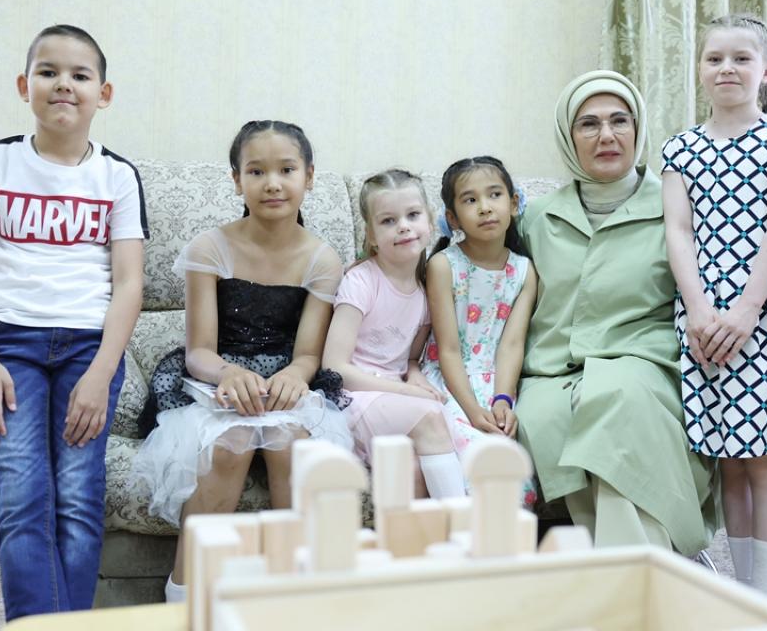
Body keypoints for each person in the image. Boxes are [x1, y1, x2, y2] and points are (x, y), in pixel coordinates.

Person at [514, 69, 767, 557]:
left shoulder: (681, 207)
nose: (607, 135)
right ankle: (631, 562)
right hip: (551, 370)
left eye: (620, 120)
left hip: (645, 363)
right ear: (568, 137)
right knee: (544, 414)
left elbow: (742, 259)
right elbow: (484, 280)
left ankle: (637, 572)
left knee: (618, 403)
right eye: (589, 124)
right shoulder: (533, 218)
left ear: (638, 130)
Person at [0, 25, 147, 621]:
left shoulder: (117, 176)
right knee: (22, 498)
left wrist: (102, 374)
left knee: (78, 501)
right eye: (49, 72)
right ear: (24, 85)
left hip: (90, 349)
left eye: (80, 75)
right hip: (10, 344)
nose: (64, 84)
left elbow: (130, 283)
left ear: (103, 94)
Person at [134, 120, 353, 603]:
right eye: (256, 171)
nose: (272, 183)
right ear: (237, 181)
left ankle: (292, 592)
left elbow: (309, 354)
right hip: (216, 378)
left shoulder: (322, 260)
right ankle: (185, 594)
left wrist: (295, 374)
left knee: (290, 447)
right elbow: (199, 351)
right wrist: (229, 373)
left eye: (286, 170)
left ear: (309, 176)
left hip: (284, 382)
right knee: (229, 447)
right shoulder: (210, 248)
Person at [661, 14, 767, 596]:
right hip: (704, 320)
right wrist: (699, 310)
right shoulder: (680, 148)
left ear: (766, 71)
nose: (727, 68)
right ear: (700, 69)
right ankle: (742, 593)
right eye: (715, 58)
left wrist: (747, 310)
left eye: (741, 58)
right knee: (729, 462)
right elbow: (679, 232)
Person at [322, 169, 466, 498]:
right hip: (352, 398)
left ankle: (422, 532)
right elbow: (334, 368)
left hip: (393, 398)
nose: (403, 226)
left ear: (430, 222)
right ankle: (464, 525)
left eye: (413, 215)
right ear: (371, 235)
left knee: (414, 469)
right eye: (388, 221)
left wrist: (415, 377)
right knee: (431, 416)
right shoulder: (361, 282)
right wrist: (405, 391)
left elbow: (410, 358)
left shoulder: (425, 292)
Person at [419, 156, 539, 504]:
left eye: (494, 195)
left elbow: (511, 345)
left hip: (499, 382)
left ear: (513, 203)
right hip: (450, 382)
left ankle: (507, 535)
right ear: (453, 218)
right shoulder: (443, 266)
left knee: (514, 463)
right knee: (479, 458)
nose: (485, 207)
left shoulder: (524, 271)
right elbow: (448, 350)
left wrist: (503, 399)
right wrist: (472, 410)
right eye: (470, 200)